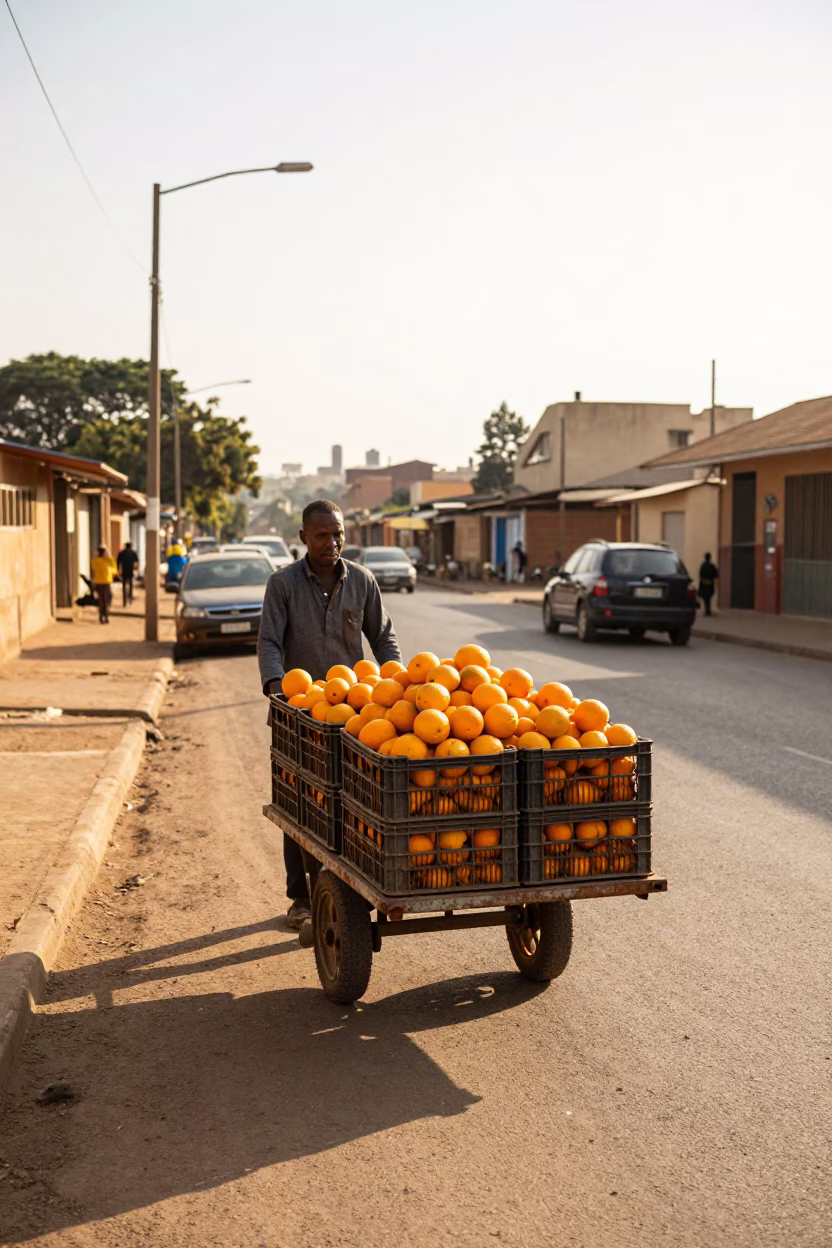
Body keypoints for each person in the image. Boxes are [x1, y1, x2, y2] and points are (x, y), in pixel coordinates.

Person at [258, 500, 402, 929]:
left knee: (353, 799)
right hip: (298, 715)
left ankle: (347, 882)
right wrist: (276, 689)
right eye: (322, 534)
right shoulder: (282, 584)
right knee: (296, 802)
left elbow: (384, 639)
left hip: (356, 716)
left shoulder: (362, 581)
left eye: (338, 533)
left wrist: (400, 691)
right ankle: (300, 896)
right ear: (303, 537)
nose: (332, 542)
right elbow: (269, 643)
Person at [90, 545, 117, 624]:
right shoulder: (108, 561)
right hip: (106, 583)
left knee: (101, 600)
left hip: (98, 583)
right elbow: (114, 571)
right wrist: (110, 557)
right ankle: (105, 616)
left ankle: (102, 616)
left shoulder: (95, 561)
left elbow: (93, 569)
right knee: (107, 600)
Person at [116, 541, 139, 606]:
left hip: (124, 571)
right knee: (131, 585)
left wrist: (118, 570)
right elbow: (137, 562)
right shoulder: (133, 553)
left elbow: (118, 562)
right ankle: (130, 598)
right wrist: (136, 569)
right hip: (130, 571)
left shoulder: (121, 553)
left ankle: (124, 601)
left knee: (124, 586)